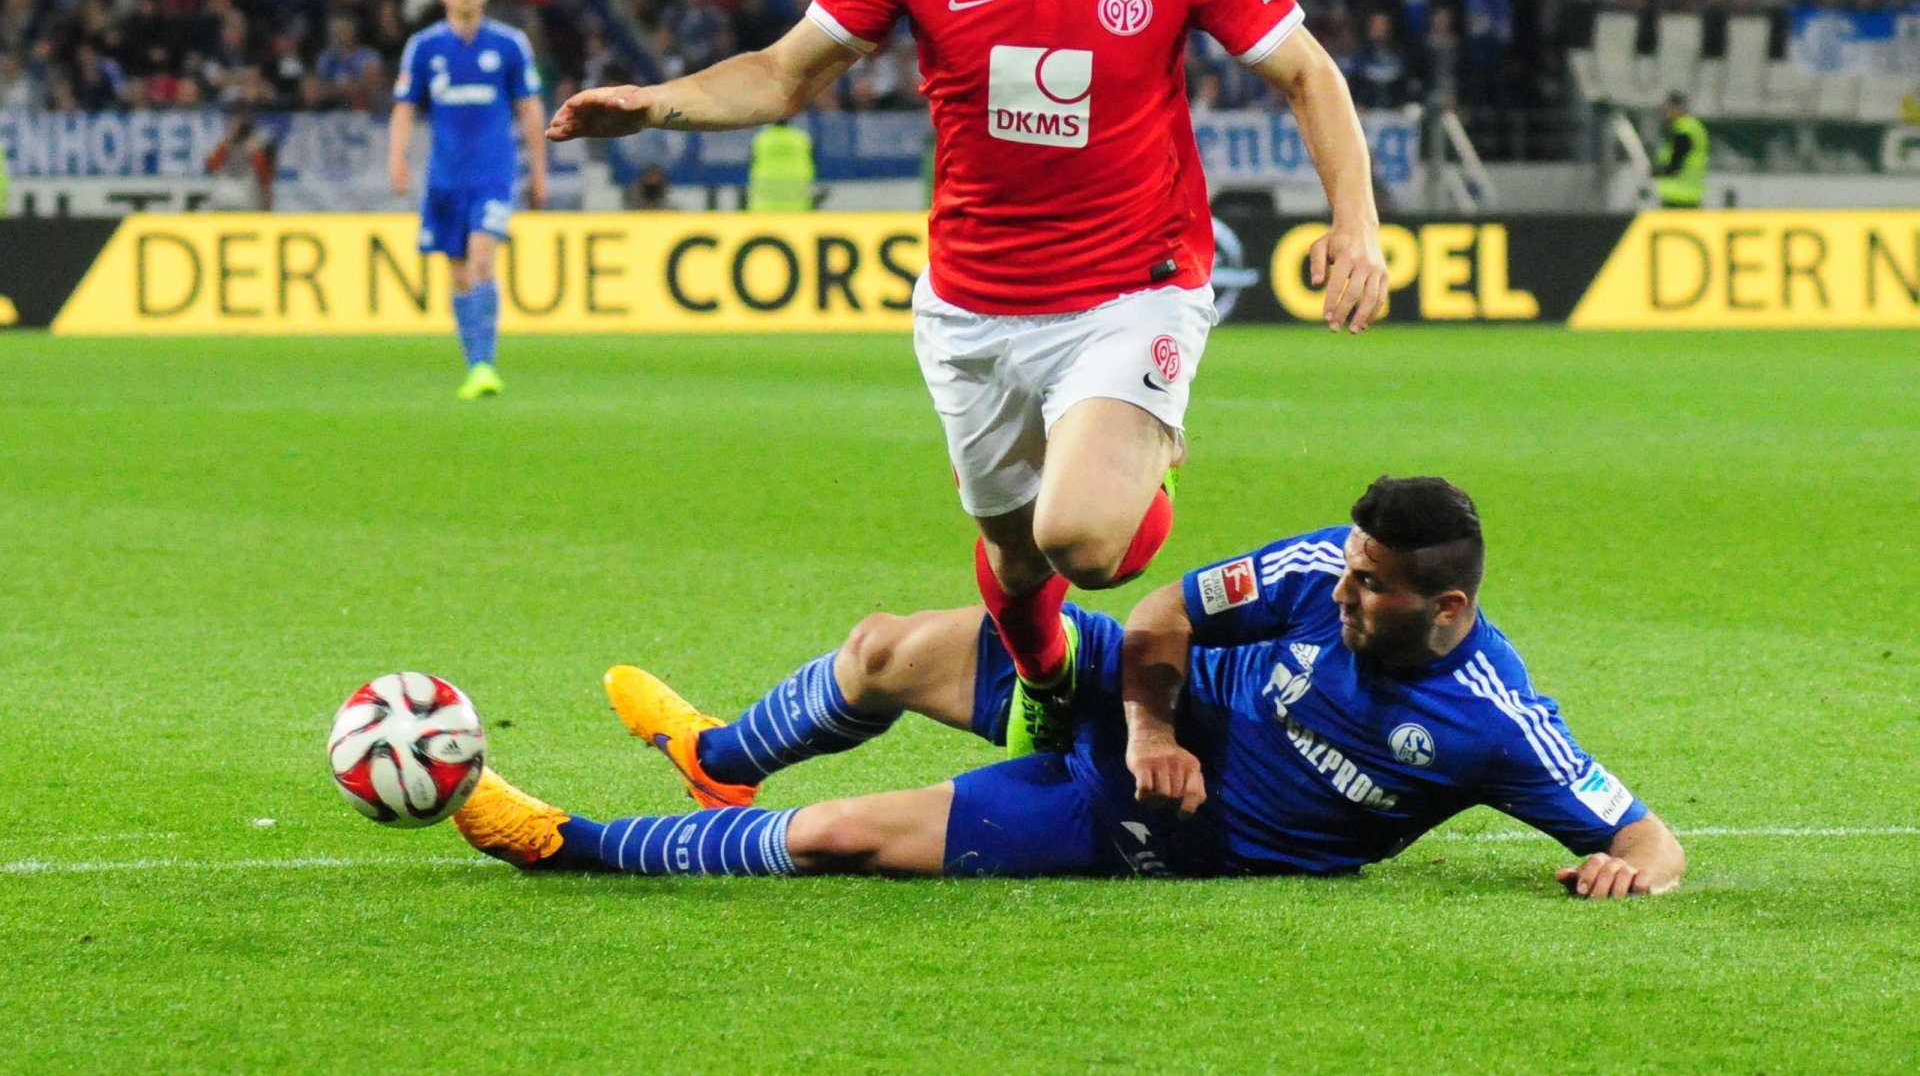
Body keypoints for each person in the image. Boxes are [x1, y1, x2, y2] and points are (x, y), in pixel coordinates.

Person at [545, 0, 1389, 756]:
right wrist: (659, 103)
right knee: (1017, 558)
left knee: (1083, 537)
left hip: (1135, 287)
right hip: (971, 309)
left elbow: (1308, 72)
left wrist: (1354, 223)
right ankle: (1042, 679)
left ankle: (1139, 449)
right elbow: (780, 74)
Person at [450, 475, 1685, 898]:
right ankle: (720, 758)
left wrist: (1633, 869)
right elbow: (1158, 615)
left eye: (1375, 590)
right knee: (884, 644)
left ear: (1448, 610)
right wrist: (1151, 719)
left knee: (836, 838)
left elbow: (1647, 836)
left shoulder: (1494, 722)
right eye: (1351, 572)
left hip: (1159, 828)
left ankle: (569, 846)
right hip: (1145, 712)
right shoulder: (1322, 569)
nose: (1347, 593)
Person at [388, 0, 547, 400]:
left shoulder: (510, 44)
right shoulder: (424, 47)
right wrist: (397, 159)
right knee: (457, 273)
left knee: (481, 258)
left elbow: (530, 108)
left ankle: (485, 364)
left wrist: (539, 170)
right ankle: (473, 362)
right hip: (444, 177)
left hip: (494, 172)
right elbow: (404, 107)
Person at [1656, 91, 1709, 208]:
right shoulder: (1692, 127)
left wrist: (1655, 172)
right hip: (1690, 196)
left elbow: (1676, 164)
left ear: (1678, 108)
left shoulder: (1684, 130)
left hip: (1678, 198)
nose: (1665, 112)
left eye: (1668, 107)